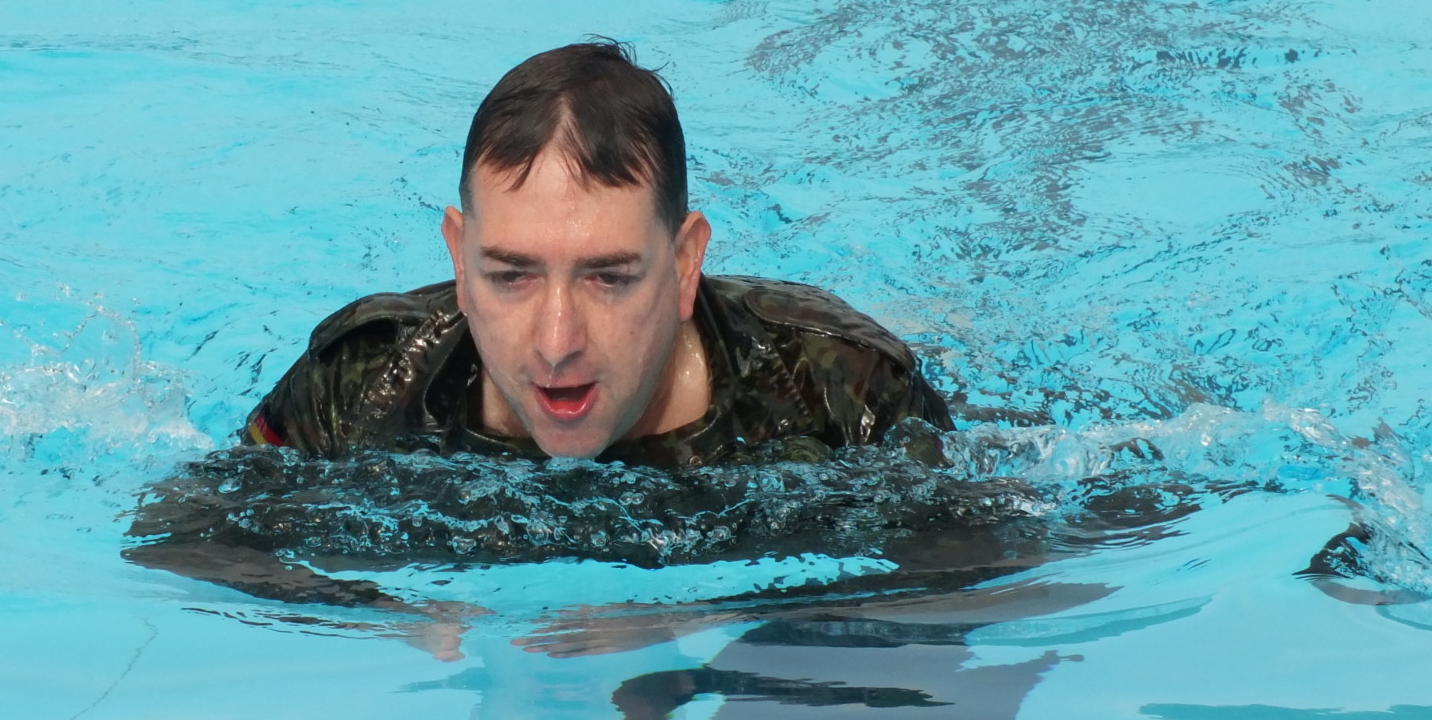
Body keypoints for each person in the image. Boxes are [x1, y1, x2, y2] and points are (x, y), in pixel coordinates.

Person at [243, 40, 953, 468]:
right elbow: (188, 543)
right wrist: (385, 609)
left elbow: (974, 594)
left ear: (683, 265)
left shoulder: (840, 394)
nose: (557, 344)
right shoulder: (363, 390)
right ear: (459, 261)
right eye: (510, 275)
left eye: (609, 277)